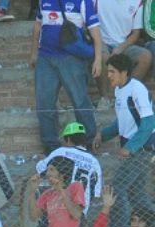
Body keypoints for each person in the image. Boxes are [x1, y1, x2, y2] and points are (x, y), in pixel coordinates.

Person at [92, 54, 155, 227]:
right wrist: (103, 135)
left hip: (142, 149)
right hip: (135, 149)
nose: (108, 75)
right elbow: (122, 122)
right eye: (108, 71)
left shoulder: (137, 89)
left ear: (124, 72)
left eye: (112, 72)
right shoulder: (119, 91)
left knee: (117, 189)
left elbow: (149, 122)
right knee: (137, 195)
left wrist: (131, 147)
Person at [30, 0, 101, 152]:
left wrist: (98, 60)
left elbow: (95, 32)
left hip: (72, 58)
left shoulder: (83, 1)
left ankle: (89, 142)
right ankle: (51, 146)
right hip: (45, 58)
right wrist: (34, 53)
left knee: (80, 101)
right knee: (44, 103)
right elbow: (37, 25)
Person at [93, 0, 150, 110]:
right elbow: (90, 25)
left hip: (124, 43)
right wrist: (99, 42)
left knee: (145, 57)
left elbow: (136, 33)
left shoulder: (137, 2)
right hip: (102, 41)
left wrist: (120, 48)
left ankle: (125, 94)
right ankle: (105, 98)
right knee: (102, 57)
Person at [36, 122, 102, 215]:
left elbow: (40, 169)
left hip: (60, 207)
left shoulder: (61, 152)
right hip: (80, 212)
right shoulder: (94, 161)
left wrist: (42, 159)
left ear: (68, 139)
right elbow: (95, 193)